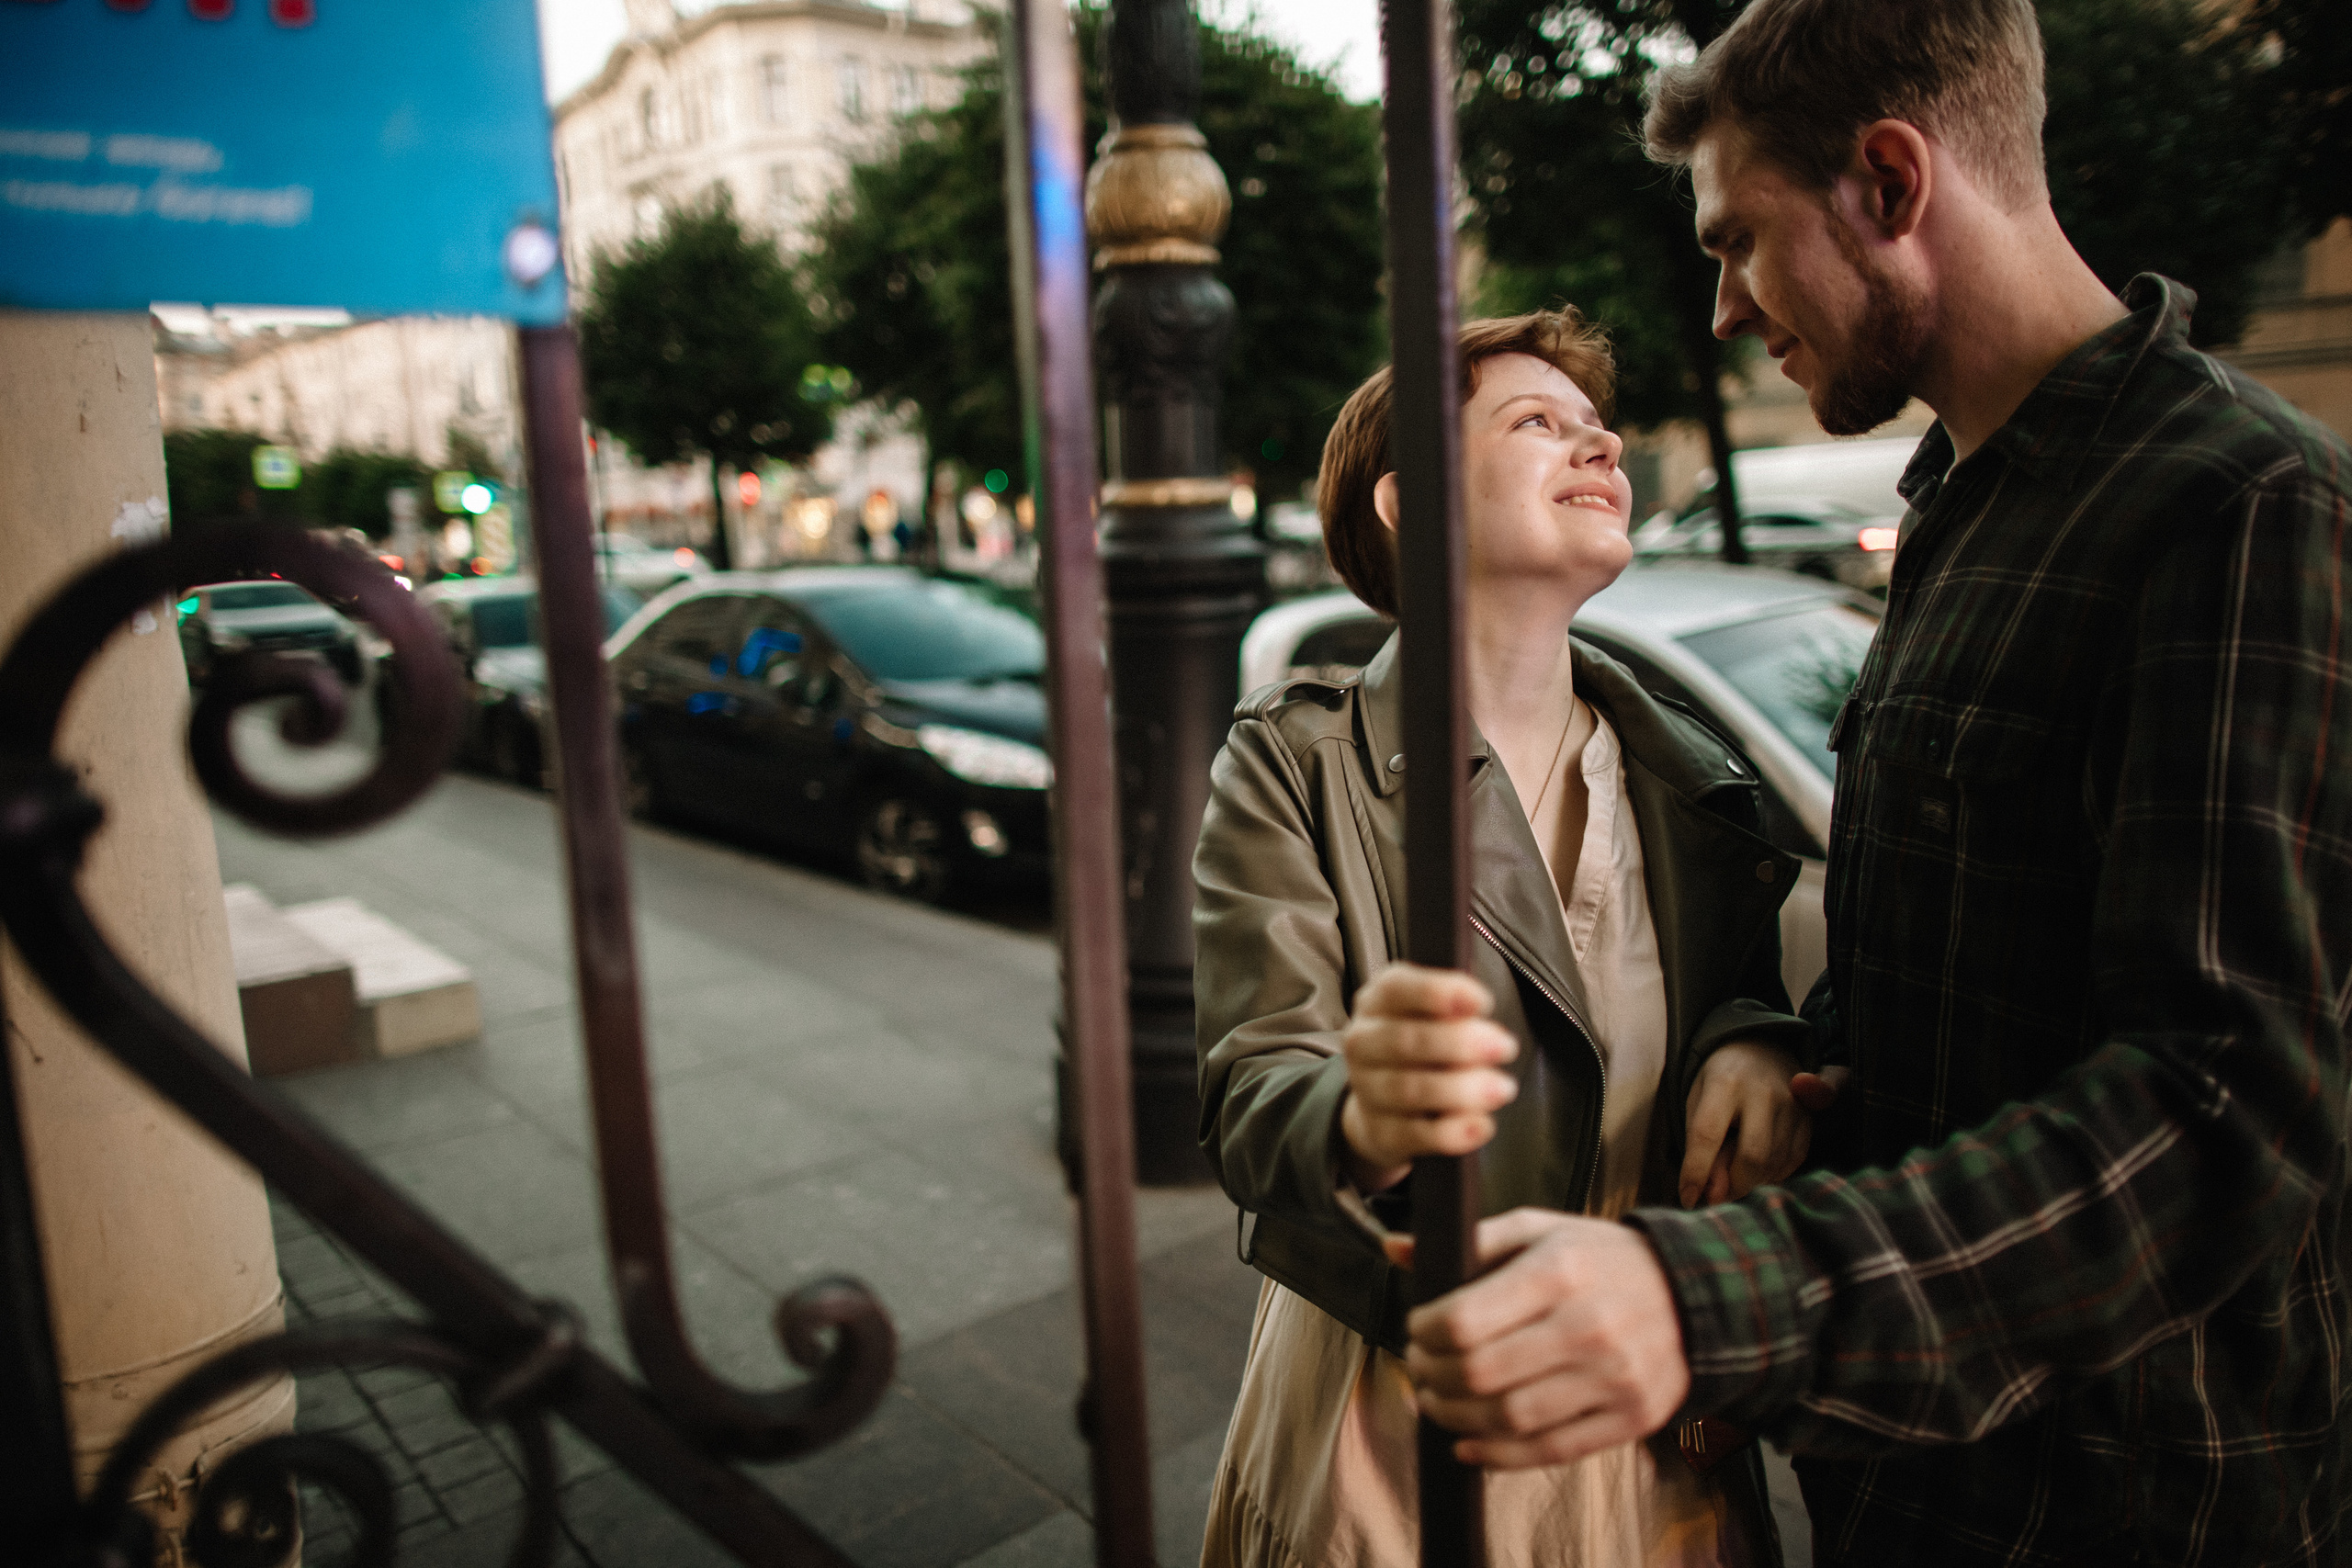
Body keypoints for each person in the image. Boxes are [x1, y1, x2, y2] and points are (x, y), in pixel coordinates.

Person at [1389, 2, 2352, 1563]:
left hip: (2129, 1504)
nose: (1720, 310)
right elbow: (1963, 958)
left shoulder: (2244, 507)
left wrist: (1718, 1296)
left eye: (1739, 242)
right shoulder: (1959, 501)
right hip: (1910, 1481)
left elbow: (2226, 1112)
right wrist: (1796, 1055)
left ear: (1893, 186)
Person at [1192, 309, 1828, 1566]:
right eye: (1537, 422)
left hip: (1659, 1426)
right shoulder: (1294, 759)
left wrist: (1756, 1042)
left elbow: (1731, 1007)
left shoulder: (1698, 790)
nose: (1598, 443)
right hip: (1401, 1428)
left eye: (1596, 424)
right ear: (1404, 501)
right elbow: (1251, 1097)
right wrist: (1362, 1113)